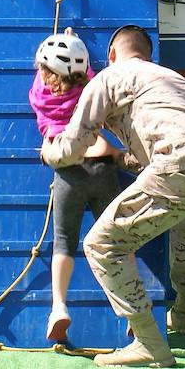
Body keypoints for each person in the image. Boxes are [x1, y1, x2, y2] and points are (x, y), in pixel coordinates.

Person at [41, 25, 185, 368]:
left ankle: (149, 344)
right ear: (147, 55)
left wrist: (50, 152)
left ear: (110, 56)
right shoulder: (170, 78)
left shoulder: (109, 78)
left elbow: (73, 146)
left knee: (102, 245)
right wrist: (122, 157)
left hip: (184, 165)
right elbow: (173, 140)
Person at [28, 29, 122, 344]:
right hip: (102, 165)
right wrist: (76, 45)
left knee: (63, 243)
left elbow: (43, 76)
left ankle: (58, 306)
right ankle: (129, 308)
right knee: (118, 241)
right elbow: (91, 81)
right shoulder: (90, 89)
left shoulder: (39, 95)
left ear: (45, 71)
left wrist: (60, 46)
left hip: (68, 170)